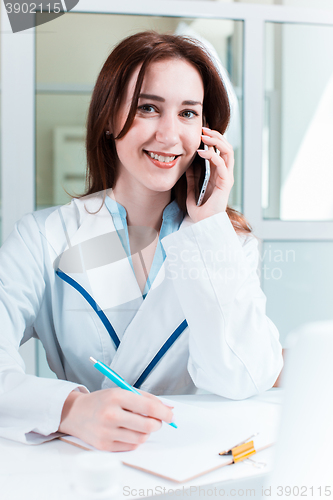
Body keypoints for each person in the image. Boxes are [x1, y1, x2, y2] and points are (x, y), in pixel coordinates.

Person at [0, 31, 283, 452]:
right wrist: (70, 410)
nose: (170, 136)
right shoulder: (44, 238)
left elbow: (243, 376)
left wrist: (208, 226)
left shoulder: (227, 244)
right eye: (148, 108)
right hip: (80, 468)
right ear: (110, 117)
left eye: (189, 114)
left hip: (192, 465)